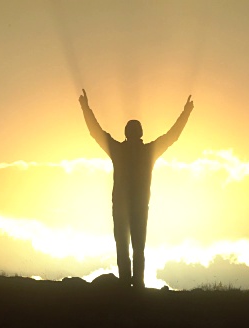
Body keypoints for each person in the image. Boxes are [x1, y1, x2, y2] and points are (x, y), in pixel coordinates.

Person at [79, 89, 194, 288]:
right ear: (140, 133)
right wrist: (186, 112)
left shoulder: (120, 150)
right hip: (139, 207)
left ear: (127, 133)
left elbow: (95, 132)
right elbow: (172, 136)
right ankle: (137, 284)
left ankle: (127, 283)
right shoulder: (148, 151)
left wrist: (85, 107)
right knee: (137, 247)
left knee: (124, 246)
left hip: (123, 207)